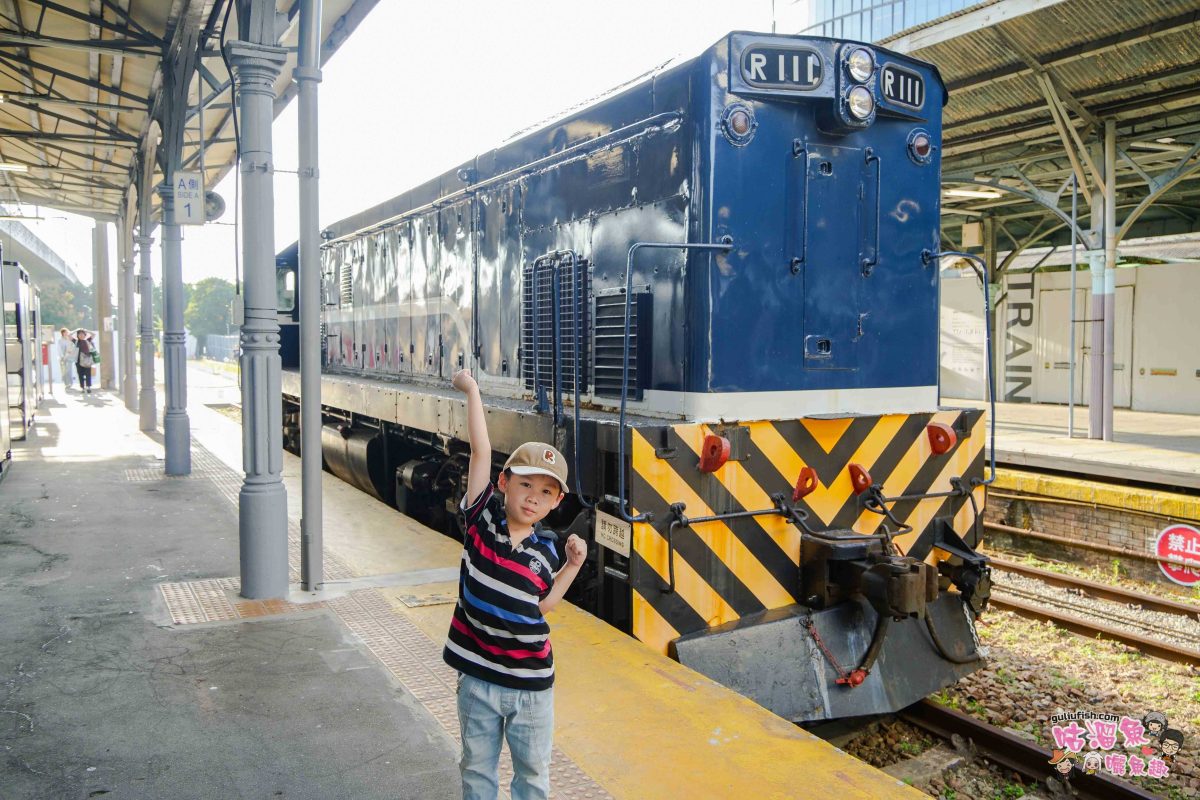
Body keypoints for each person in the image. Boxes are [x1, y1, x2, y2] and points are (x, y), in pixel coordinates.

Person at [445, 368, 586, 800]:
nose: (533, 497)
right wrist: (472, 390)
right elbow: (480, 450)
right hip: (479, 681)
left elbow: (543, 606)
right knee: (477, 771)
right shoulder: (481, 517)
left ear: (556, 501)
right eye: (525, 484)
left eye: (545, 492)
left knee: (532, 777)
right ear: (504, 483)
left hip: (531, 687)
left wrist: (572, 567)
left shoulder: (547, 550)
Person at [75, 329, 95, 394]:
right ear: (77, 335)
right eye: (79, 334)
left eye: (82, 334)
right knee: (80, 374)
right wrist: (76, 330)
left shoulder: (87, 340)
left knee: (88, 374)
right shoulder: (76, 341)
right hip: (78, 360)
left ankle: (88, 387)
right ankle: (82, 388)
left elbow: (93, 334)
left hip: (87, 360)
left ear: (85, 335)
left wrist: (86, 330)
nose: (81, 335)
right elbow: (69, 335)